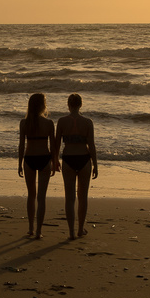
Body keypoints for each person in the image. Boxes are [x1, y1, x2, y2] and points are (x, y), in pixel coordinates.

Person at [54, 93, 98, 239]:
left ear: (68, 104)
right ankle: (80, 229)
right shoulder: (87, 122)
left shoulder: (62, 121)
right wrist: (95, 165)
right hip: (84, 159)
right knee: (83, 197)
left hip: (68, 159)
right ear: (80, 104)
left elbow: (57, 144)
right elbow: (91, 145)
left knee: (70, 197)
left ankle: (71, 231)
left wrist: (55, 160)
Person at [16, 92, 55, 240]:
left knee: (31, 195)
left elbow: (21, 145)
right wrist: (54, 161)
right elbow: (53, 146)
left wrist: (19, 163)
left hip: (29, 159)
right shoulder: (49, 123)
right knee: (41, 197)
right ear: (42, 105)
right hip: (45, 159)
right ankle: (39, 230)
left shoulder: (24, 123)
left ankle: (31, 228)